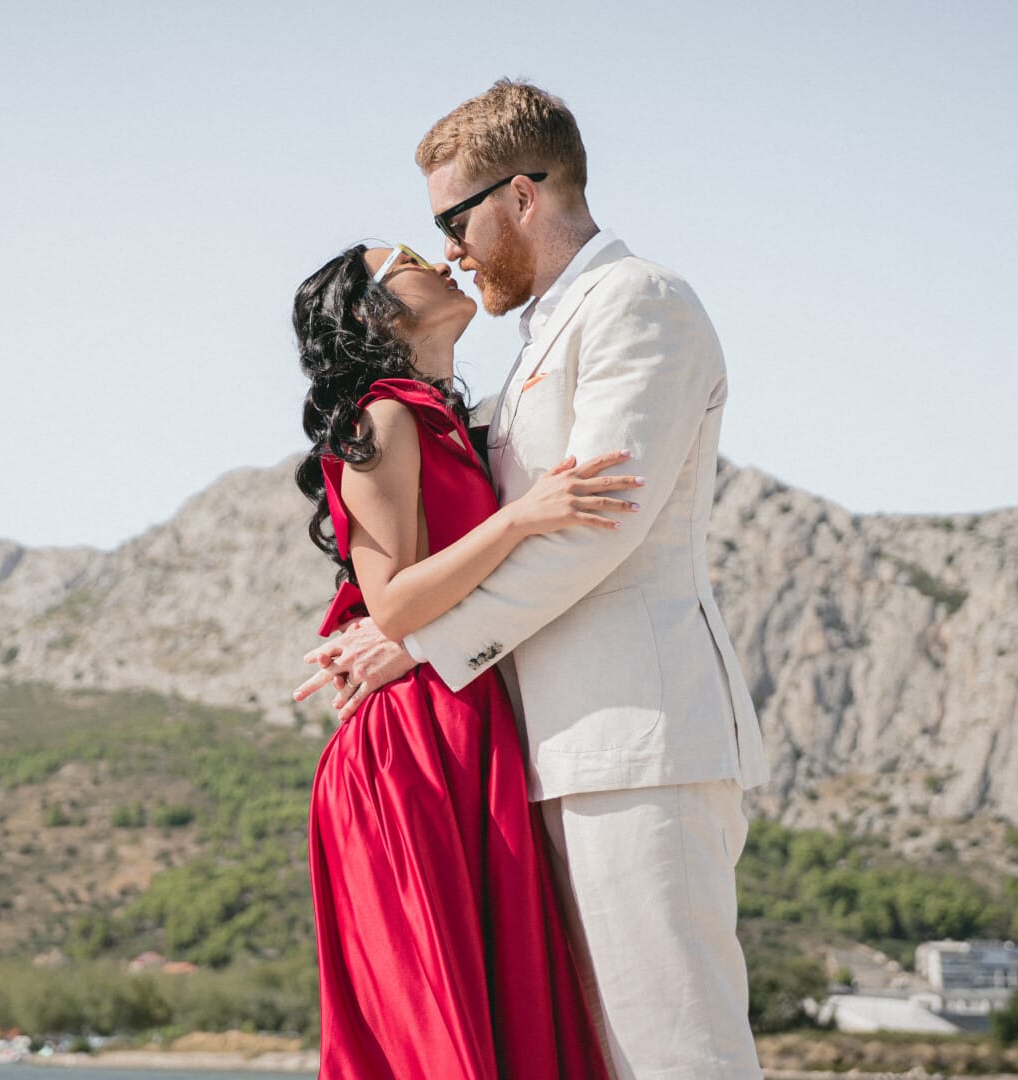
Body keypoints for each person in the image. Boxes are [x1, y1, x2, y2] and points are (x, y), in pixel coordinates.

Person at [294, 81, 773, 1079]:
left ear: (522, 194)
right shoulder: (522, 349)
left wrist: (417, 640)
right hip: (530, 759)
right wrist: (400, 623)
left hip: (629, 743)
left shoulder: (638, 301)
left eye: (451, 222)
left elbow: (598, 528)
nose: (449, 250)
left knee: (673, 1052)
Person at [293, 238, 630, 1078]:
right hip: (409, 748)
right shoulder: (381, 416)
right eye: (406, 256)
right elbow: (395, 601)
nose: (440, 259)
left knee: (495, 1020)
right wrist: (522, 519)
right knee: (440, 1039)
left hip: (460, 721)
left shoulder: (434, 415)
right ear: (376, 311)